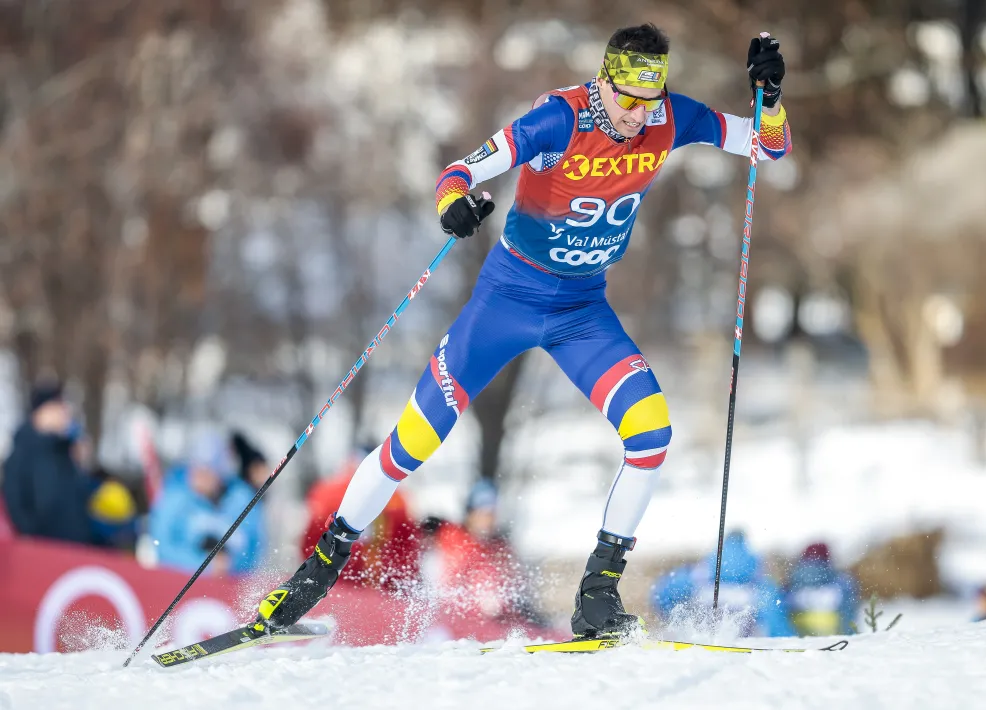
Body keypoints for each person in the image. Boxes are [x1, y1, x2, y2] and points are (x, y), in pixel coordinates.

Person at [254, 24, 791, 640]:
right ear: (605, 80)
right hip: (506, 301)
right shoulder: (558, 120)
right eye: (629, 100)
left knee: (652, 433)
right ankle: (315, 574)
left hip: (582, 311)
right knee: (411, 444)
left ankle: (597, 594)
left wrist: (768, 101)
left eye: (651, 100)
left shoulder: (671, 118)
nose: (640, 115)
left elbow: (767, 149)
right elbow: (459, 172)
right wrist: (453, 203)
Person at [419, 479, 547, 627]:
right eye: (482, 513)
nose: (487, 520)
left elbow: (512, 589)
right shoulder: (451, 536)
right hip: (454, 618)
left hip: (491, 621)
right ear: (470, 512)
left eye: (491, 514)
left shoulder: (499, 548)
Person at [300, 448, 420, 592]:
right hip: (377, 579)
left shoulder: (325, 490)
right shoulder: (397, 496)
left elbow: (309, 540)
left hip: (333, 577)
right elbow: (406, 546)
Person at [148, 428, 265, 577]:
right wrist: (202, 564)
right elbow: (162, 546)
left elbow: (254, 549)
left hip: (228, 587)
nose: (200, 478)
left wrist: (230, 564)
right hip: (180, 583)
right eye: (197, 470)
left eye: (208, 471)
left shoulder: (241, 499)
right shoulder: (175, 497)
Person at [1, 379, 96, 545]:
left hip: (75, 549)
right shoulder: (22, 454)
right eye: (57, 406)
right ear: (42, 411)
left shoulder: (65, 452)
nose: (64, 413)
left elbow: (78, 501)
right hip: (42, 551)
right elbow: (17, 506)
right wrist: (32, 536)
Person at [651, 531, 793, 637]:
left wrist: (671, 617)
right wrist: (785, 639)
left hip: (702, 622)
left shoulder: (702, 571)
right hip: (742, 635)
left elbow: (663, 594)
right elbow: (775, 618)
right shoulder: (756, 578)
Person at [783, 542, 860, 636]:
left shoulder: (792, 581)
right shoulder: (842, 582)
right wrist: (850, 637)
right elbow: (848, 616)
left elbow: (779, 613)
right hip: (834, 638)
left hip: (797, 638)